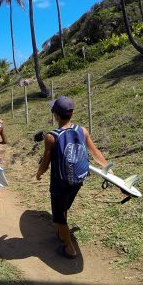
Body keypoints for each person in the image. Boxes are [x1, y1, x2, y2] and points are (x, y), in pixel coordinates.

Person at [36, 96, 108, 259]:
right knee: (64, 207)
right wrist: (107, 169)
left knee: (59, 217)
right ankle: (63, 234)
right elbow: (95, 152)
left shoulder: (51, 137)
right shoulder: (82, 130)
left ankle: (69, 248)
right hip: (78, 180)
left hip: (60, 184)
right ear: (71, 113)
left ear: (56, 115)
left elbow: (45, 163)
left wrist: (39, 173)